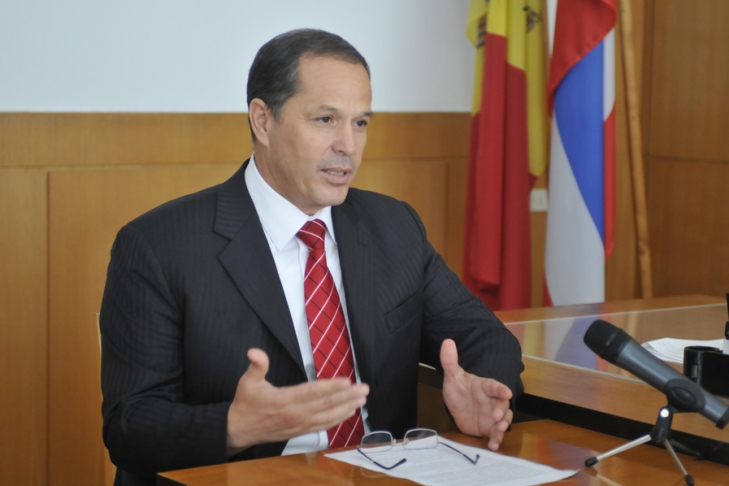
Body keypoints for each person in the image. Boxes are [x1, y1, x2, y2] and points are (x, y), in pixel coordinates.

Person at [100, 28, 524, 486]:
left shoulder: (393, 227)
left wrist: (486, 391)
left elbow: (483, 335)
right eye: (326, 119)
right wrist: (234, 427)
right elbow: (130, 425)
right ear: (263, 121)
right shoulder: (159, 246)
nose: (348, 145)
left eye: (360, 123)